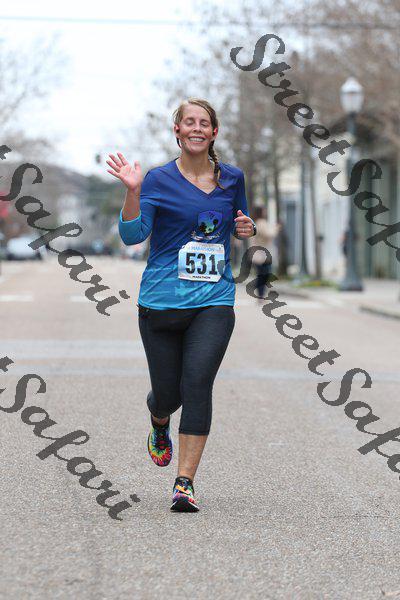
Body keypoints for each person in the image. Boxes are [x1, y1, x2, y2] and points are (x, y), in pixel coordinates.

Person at [107, 98, 256, 513]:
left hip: (214, 300)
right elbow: (133, 235)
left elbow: (240, 221)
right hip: (161, 302)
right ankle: (159, 421)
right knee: (167, 396)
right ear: (177, 131)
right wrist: (133, 191)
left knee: (197, 385)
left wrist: (247, 227)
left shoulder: (232, 178)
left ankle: (184, 482)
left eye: (204, 123)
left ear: (214, 132)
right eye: (188, 122)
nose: (196, 128)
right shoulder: (157, 179)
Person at [247, 206, 279, 303]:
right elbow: (269, 234)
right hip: (263, 254)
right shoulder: (261, 223)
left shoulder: (254, 223)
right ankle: (260, 295)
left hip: (257, 253)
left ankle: (260, 295)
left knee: (261, 275)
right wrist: (276, 228)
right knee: (264, 275)